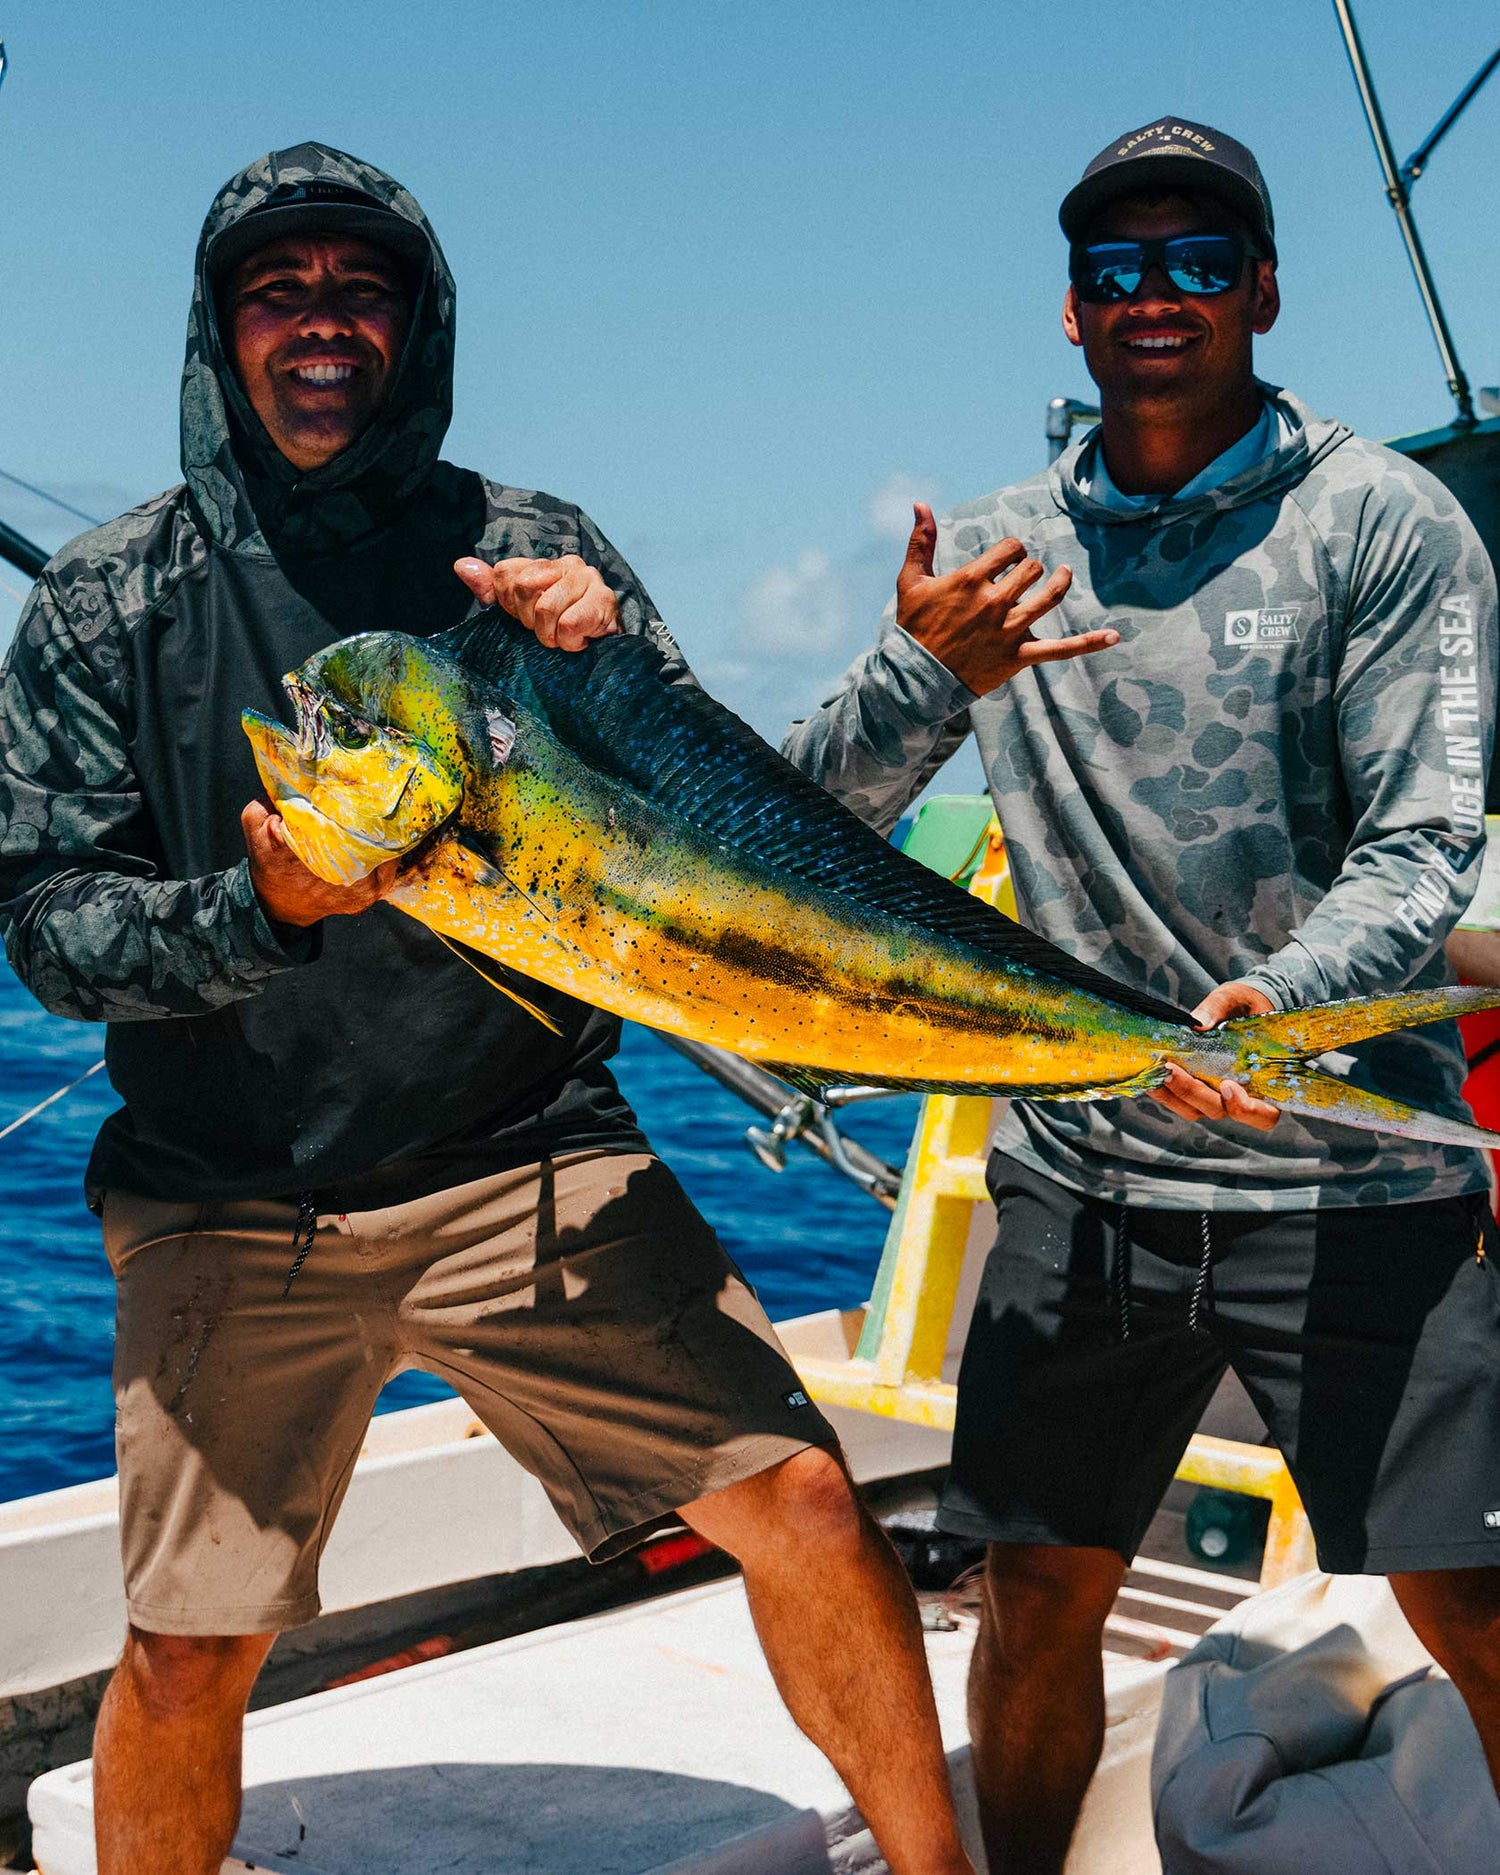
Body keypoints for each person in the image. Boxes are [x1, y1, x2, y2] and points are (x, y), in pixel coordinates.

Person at [0, 144, 972, 1875]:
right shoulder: (112, 600)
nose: (320, 323)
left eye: (357, 288)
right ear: (221, 331)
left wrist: (613, 672)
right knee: (182, 1648)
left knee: (811, 1505)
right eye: (278, 291)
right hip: (231, 1192)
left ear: (416, 323)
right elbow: (49, 930)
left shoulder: (527, 554)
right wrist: (258, 912)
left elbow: (733, 839)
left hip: (522, 1161)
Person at [778, 118, 1500, 1873]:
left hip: (1352, 1170)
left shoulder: (1381, 526)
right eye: (1119, 269)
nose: (1156, 295)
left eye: (1196, 261)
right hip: (1082, 1178)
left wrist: (1277, 1005)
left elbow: (1426, 844)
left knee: (1477, 1603)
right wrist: (918, 676)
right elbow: (801, 823)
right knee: (1034, 1598)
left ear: (1261, 287)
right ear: (1074, 314)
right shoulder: (1005, 553)